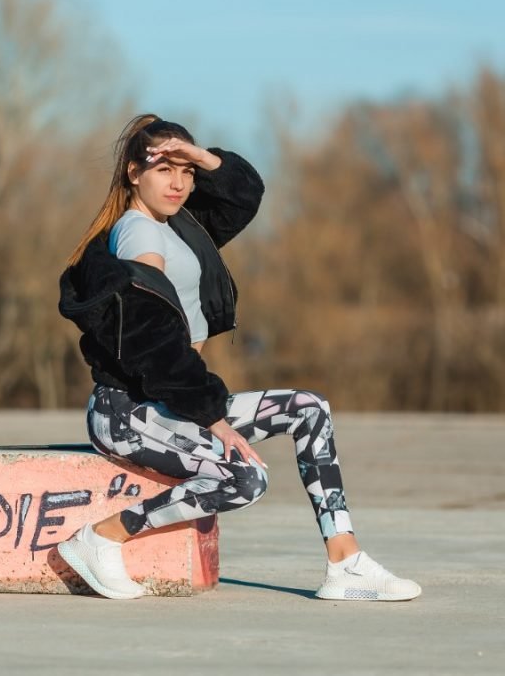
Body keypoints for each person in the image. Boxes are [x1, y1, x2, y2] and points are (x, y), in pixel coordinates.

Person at [56, 114, 421, 602]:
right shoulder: (140, 235)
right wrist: (213, 418)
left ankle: (345, 561)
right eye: (164, 170)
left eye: (186, 172)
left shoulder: (179, 227)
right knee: (245, 478)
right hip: (129, 411)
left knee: (308, 409)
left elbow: (242, 196)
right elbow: (152, 339)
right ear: (134, 173)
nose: (178, 183)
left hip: (170, 402)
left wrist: (202, 156)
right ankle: (102, 538)